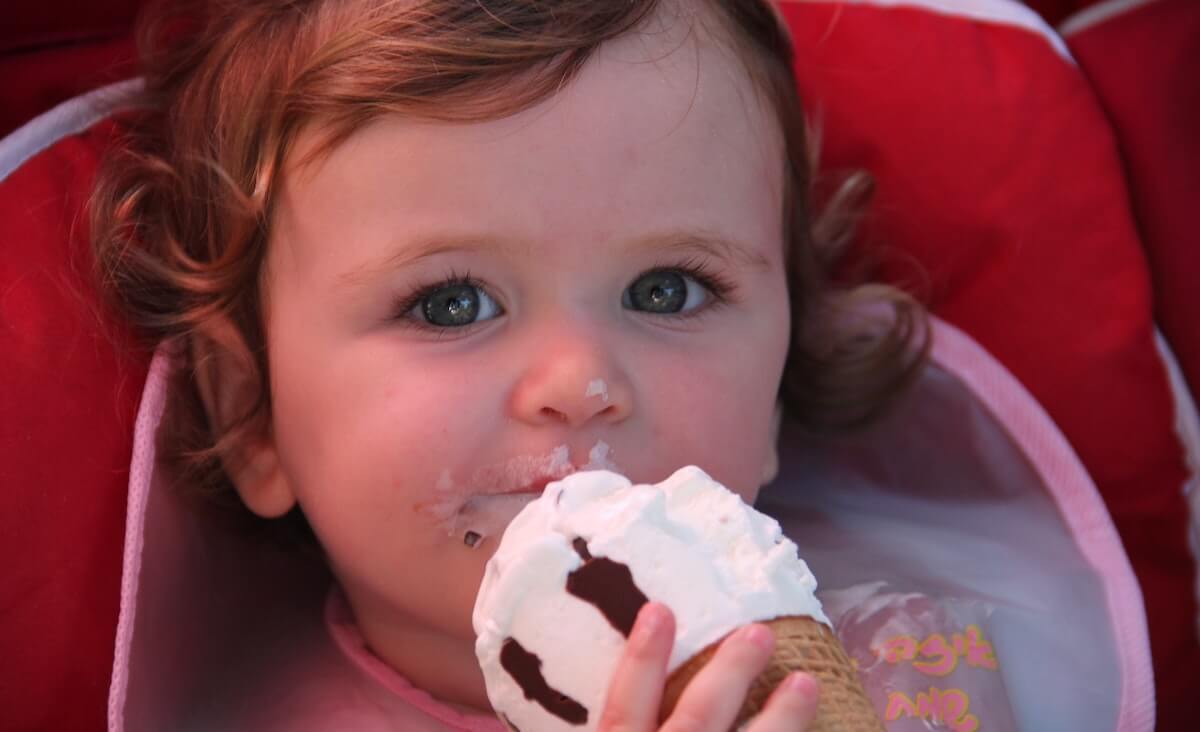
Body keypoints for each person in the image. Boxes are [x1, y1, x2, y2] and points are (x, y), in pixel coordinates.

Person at [91, 0, 925, 729]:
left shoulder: (915, 645)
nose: (579, 383)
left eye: (667, 291)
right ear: (253, 416)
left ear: (777, 389)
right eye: (451, 303)